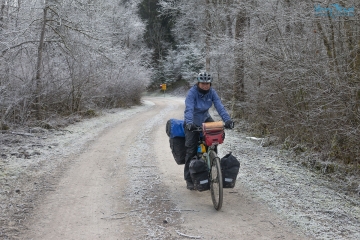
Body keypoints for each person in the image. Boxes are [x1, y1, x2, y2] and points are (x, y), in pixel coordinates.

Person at [184, 71, 234, 190]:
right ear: (198, 83)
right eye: (203, 83)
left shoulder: (212, 92)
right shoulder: (192, 93)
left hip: (206, 118)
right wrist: (189, 123)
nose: (205, 85)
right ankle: (189, 179)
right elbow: (189, 109)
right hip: (193, 120)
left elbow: (219, 106)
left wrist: (227, 120)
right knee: (191, 150)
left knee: (214, 140)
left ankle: (211, 164)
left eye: (208, 83)